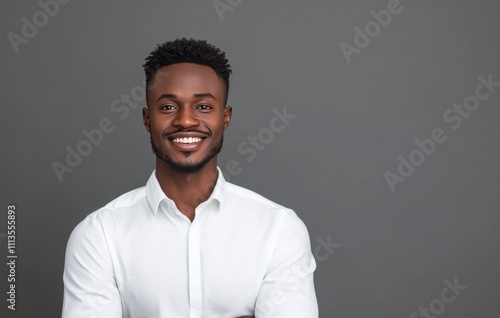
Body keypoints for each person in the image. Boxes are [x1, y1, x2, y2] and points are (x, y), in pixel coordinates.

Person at [62, 38, 318, 318]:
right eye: (169, 107)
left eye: (204, 107)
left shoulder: (279, 230)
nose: (185, 120)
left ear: (226, 118)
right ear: (147, 119)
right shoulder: (98, 236)